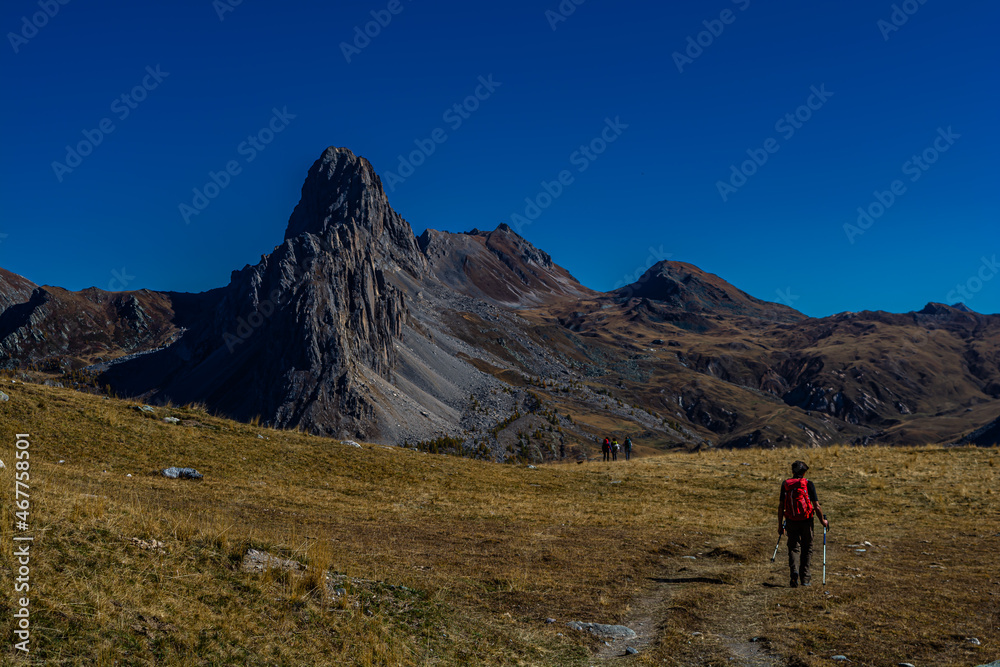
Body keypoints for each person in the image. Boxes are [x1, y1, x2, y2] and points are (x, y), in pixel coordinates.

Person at [778, 460, 829, 588]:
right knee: (807, 548)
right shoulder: (808, 484)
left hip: (791, 521)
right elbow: (816, 506)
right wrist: (823, 521)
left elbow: (780, 507)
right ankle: (805, 578)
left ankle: (794, 573)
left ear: (793, 472)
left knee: (793, 548)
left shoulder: (786, 484)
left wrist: (780, 525)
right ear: (804, 472)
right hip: (806, 521)